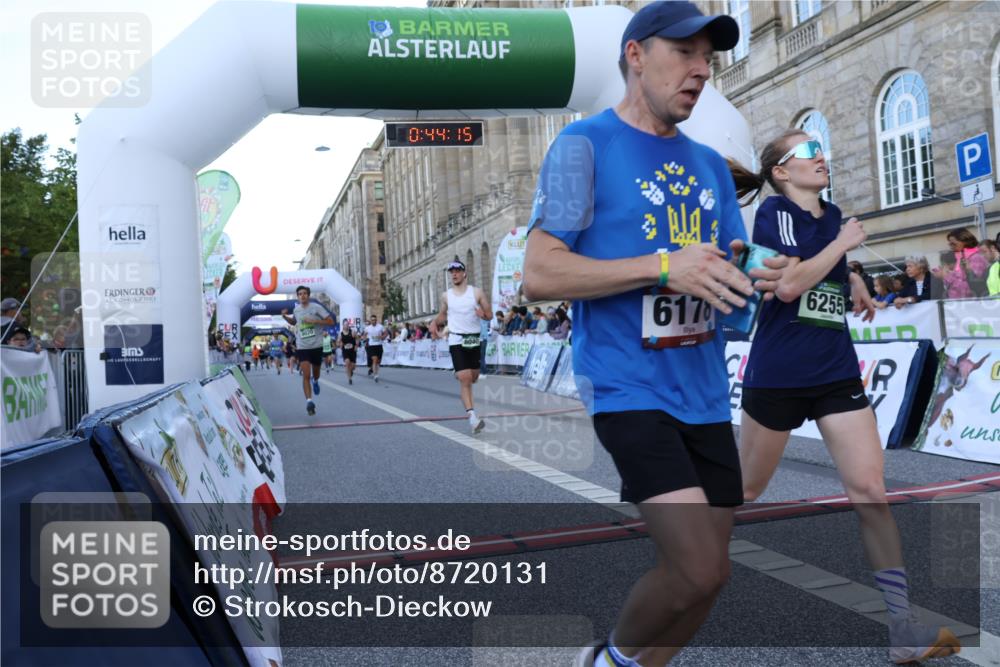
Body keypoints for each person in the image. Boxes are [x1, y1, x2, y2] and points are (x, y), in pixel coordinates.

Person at [523, 4, 786, 665]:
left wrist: (759, 275)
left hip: (702, 390)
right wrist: (665, 265)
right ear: (636, 55)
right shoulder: (581, 145)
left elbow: (725, 269)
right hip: (627, 386)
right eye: (685, 53)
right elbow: (538, 270)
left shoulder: (706, 163)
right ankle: (605, 660)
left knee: (711, 575)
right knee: (695, 566)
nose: (702, 70)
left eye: (709, 58)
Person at [729, 128, 960, 664]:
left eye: (821, 148)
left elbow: (810, 273)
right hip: (780, 372)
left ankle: (902, 627)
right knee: (746, 490)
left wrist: (850, 276)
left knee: (870, 490)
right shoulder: (773, 214)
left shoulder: (831, 215)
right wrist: (838, 252)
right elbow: (786, 289)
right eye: (809, 152)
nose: (822, 156)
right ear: (782, 172)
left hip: (835, 369)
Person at [429, 260, 492, 433]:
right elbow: (442, 315)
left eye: (457, 271)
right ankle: (472, 417)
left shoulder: (477, 293)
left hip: (473, 339)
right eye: (452, 272)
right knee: (464, 378)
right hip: (456, 340)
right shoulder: (446, 296)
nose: (454, 274)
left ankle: (469, 396)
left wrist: (483, 315)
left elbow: (489, 314)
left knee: (473, 377)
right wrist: (434, 323)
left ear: (464, 273)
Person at [281, 286, 334, 415]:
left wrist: (315, 320)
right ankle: (309, 402)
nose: (302, 296)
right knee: (306, 375)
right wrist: (285, 317)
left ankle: (315, 381)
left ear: (308, 295)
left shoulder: (316, 307)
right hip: (302, 346)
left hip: (316, 345)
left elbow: (331, 321)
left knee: (315, 374)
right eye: (300, 294)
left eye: (305, 293)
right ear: (298, 296)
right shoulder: (296, 309)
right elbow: (294, 322)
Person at [932, 227, 989, 298]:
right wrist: (945, 274)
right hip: (959, 303)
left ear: (965, 241)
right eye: (949, 244)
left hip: (971, 303)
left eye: (953, 244)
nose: (951, 246)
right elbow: (958, 280)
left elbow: (972, 286)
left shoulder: (976, 258)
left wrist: (946, 276)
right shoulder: (960, 258)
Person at [362, 315, 386, 382]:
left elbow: (385, 333)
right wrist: (365, 339)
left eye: (374, 320)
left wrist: (382, 337)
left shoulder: (380, 326)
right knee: (375, 359)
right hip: (371, 346)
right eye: (372, 320)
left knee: (378, 361)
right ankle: (376, 375)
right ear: (371, 321)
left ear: (376, 320)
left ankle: (373, 369)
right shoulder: (368, 328)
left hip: (379, 345)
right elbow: (364, 335)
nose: (373, 321)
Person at [339, 319, 358, 385]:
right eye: (345, 325)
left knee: (353, 366)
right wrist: (340, 344)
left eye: (347, 325)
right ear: (343, 326)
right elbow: (338, 342)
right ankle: (349, 379)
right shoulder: (341, 334)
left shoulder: (352, 332)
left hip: (352, 351)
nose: (346, 326)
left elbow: (357, 338)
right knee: (347, 363)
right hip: (345, 351)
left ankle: (351, 371)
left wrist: (356, 345)